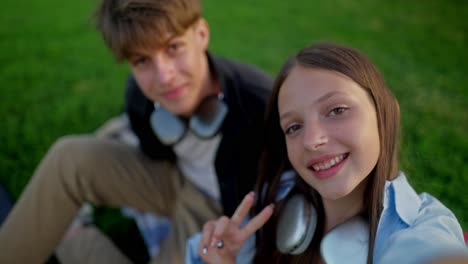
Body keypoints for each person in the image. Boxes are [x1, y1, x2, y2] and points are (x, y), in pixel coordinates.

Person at [0, 0, 273, 263]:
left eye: (174, 47)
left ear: (201, 34)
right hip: (172, 177)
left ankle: (71, 235)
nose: (164, 76)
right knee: (68, 157)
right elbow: (151, 152)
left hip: (222, 209)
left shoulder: (260, 102)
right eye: (142, 61)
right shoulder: (140, 98)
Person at [192, 42, 468, 263]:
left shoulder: (422, 230)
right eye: (294, 127)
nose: (312, 140)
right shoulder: (277, 200)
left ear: (382, 113)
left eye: (337, 110)